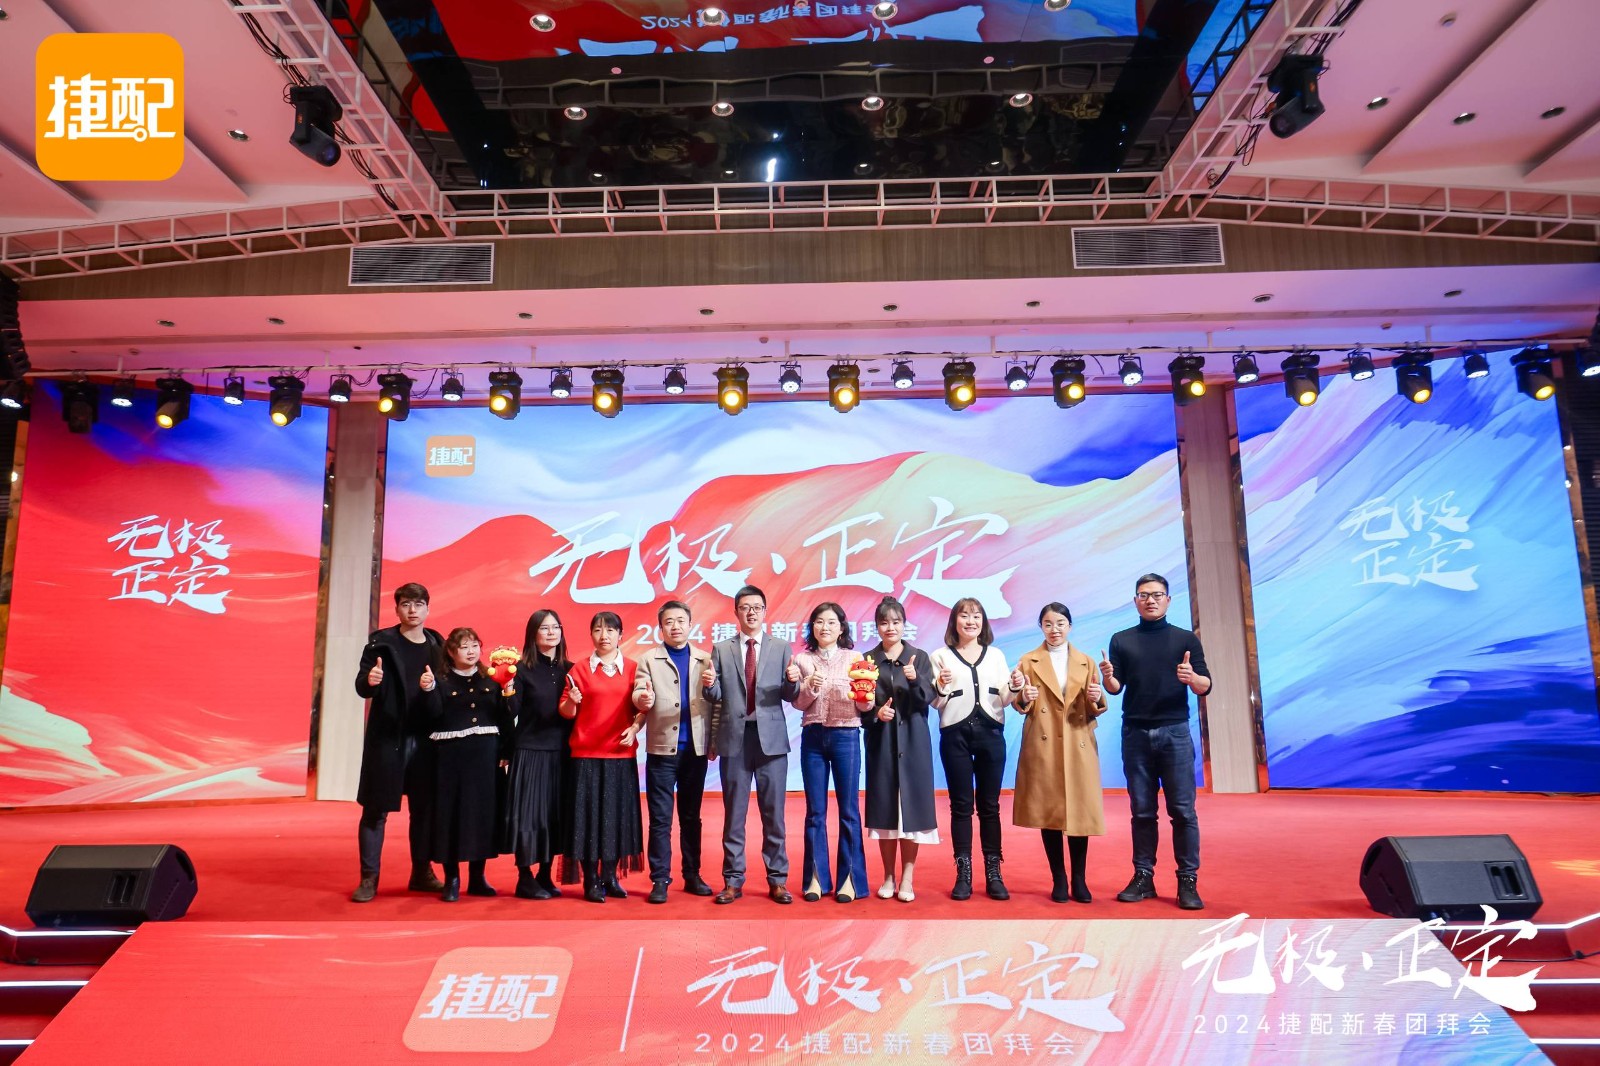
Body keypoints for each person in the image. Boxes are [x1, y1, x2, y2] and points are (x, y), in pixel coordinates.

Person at [1101, 573, 1211, 911]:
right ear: (1135, 601)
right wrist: (1108, 678)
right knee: (1142, 811)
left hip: (1174, 732)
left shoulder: (1185, 639)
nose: (1151, 600)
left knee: (1182, 811)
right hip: (1135, 733)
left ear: (1168, 600)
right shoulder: (1122, 639)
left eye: (1157, 594)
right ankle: (1143, 876)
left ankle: (1187, 880)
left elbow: (1205, 685)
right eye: (1144, 595)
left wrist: (1192, 678)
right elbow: (1115, 688)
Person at [351, 583, 445, 903]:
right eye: (406, 604)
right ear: (397, 609)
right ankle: (369, 878)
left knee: (424, 809)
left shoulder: (437, 645)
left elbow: (446, 690)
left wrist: (433, 689)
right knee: (375, 810)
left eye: (418, 604)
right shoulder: (381, 643)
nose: (412, 610)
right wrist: (370, 681)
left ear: (428, 608)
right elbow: (362, 685)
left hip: (426, 739)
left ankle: (422, 872)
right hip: (388, 737)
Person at [709, 584, 800, 905]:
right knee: (734, 814)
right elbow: (715, 695)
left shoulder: (781, 647)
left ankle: (778, 880)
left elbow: (789, 695)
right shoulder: (722, 649)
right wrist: (709, 685)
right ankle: (732, 880)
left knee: (774, 814)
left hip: (771, 741)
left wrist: (793, 681)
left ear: (765, 611)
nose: (751, 612)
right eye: (745, 607)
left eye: (757, 607)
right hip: (735, 739)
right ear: (736, 612)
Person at [1012, 602, 1107, 904]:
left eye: (1061, 623)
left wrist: (1097, 697)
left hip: (1077, 740)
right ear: (1041, 627)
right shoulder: (1028, 660)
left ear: (1070, 626)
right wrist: (1023, 696)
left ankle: (1079, 878)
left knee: (1080, 812)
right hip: (1044, 744)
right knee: (1049, 811)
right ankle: (1059, 878)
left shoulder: (1085, 661)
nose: (1055, 629)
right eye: (1049, 624)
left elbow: (1095, 703)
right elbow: (1019, 701)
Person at [632, 600, 719, 904]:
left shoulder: (706, 659)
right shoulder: (648, 660)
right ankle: (660, 879)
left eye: (681, 621)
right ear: (660, 627)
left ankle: (692, 874)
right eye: (669, 622)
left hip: (695, 750)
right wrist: (643, 699)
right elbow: (639, 694)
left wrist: (713, 741)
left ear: (690, 624)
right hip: (661, 750)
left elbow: (716, 702)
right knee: (660, 819)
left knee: (691, 817)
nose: (675, 626)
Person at [930, 597, 1015, 901]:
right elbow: (936, 702)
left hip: (991, 733)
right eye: (964, 616)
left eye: (976, 616)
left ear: (984, 622)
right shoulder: (940, 656)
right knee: (961, 805)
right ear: (954, 621)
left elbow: (1005, 698)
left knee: (990, 806)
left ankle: (994, 872)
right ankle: (963, 873)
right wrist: (941, 684)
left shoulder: (996, 655)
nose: (970, 621)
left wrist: (1015, 685)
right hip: (955, 735)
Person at [789, 601, 870, 903]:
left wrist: (865, 696)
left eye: (831, 622)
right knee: (815, 812)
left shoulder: (855, 658)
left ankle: (850, 880)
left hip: (846, 736)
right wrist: (809, 686)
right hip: (813, 738)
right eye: (819, 622)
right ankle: (816, 879)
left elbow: (864, 705)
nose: (825, 627)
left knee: (849, 810)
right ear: (812, 627)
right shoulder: (802, 659)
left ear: (841, 628)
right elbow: (798, 703)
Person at [419, 627, 508, 901]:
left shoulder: (492, 679)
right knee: (451, 816)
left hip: (485, 759)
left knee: (482, 816)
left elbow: (505, 718)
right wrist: (428, 690)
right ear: (450, 651)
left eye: (474, 645)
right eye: (464, 647)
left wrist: (507, 750)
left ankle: (478, 877)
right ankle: (452, 879)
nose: (471, 652)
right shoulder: (440, 681)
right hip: (450, 761)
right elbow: (432, 715)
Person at [562, 611, 645, 904]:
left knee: (615, 818)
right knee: (588, 820)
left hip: (620, 754)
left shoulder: (634, 668)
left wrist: (635, 727)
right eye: (598, 630)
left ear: (621, 635)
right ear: (591, 635)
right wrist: (572, 702)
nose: (604, 635)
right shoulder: (579, 669)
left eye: (610, 630)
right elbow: (566, 712)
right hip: (585, 755)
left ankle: (610, 876)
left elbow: (642, 709)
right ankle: (591, 880)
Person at [860, 595, 938, 903]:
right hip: (881, 743)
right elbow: (860, 706)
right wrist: (875, 713)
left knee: (912, 813)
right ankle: (888, 876)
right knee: (885, 812)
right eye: (884, 622)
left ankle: (907, 877)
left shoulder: (919, 657)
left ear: (904, 625)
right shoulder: (867, 660)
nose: (890, 627)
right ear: (877, 627)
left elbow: (928, 698)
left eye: (896, 622)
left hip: (914, 743)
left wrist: (915, 679)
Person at [499, 609, 574, 900]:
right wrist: (506, 688)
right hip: (530, 751)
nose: (551, 633)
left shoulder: (571, 669)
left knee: (554, 816)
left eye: (556, 627)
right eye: (544, 628)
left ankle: (545, 873)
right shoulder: (520, 669)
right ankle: (525, 877)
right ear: (533, 634)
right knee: (529, 816)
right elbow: (510, 712)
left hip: (562, 752)